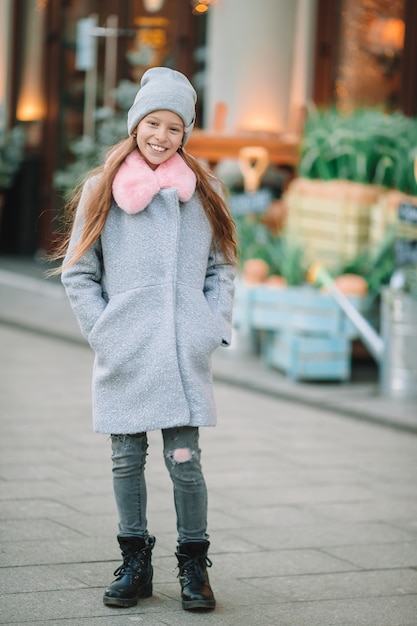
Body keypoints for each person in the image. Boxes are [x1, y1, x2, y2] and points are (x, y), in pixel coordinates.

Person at [54, 67, 237, 611]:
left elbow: (222, 269)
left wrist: (211, 326)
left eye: (175, 128)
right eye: (153, 122)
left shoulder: (203, 192)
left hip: (183, 350)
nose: (162, 136)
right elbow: (78, 272)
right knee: (126, 458)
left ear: (186, 134)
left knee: (185, 458)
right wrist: (105, 332)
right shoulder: (101, 190)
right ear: (136, 125)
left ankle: (193, 565)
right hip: (126, 349)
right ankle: (135, 561)